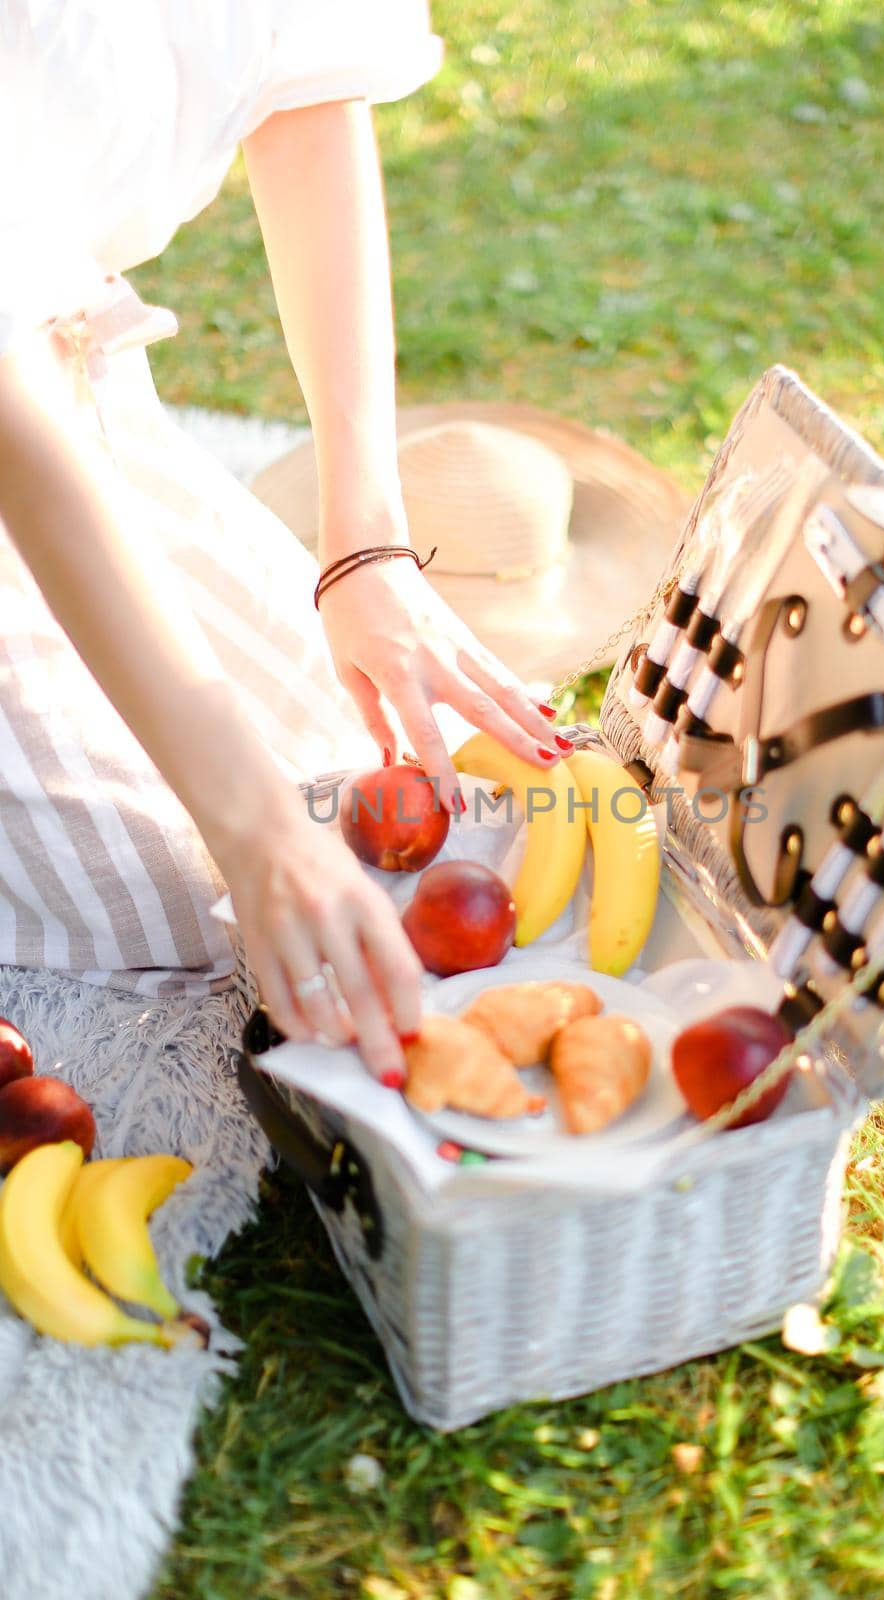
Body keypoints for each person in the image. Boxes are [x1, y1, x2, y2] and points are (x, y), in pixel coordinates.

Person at [0, 3, 565, 1082]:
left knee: (338, 773)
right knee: (164, 899)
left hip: (75, 402)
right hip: (16, 415)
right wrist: (250, 834)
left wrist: (364, 549)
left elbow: (304, 82)